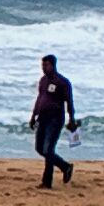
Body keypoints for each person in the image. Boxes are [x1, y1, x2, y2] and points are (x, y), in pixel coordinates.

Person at [30, 55, 80, 187]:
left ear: (53, 65)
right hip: (43, 118)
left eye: (46, 65)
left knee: (48, 149)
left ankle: (47, 182)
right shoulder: (43, 81)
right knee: (40, 148)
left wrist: (72, 119)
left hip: (55, 119)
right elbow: (40, 99)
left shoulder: (62, 82)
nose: (44, 68)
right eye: (42, 66)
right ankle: (65, 167)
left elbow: (69, 102)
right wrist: (33, 116)